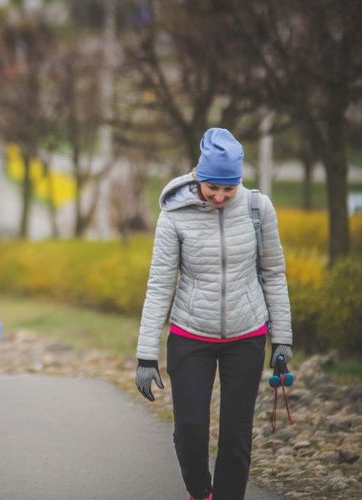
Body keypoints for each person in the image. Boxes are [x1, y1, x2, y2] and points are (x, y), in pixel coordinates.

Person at [135, 128, 293, 500]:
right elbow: (159, 286)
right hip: (191, 335)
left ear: (238, 181)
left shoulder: (258, 208)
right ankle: (199, 492)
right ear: (198, 177)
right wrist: (146, 355)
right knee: (190, 428)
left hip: (246, 335)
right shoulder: (174, 215)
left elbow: (273, 272)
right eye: (212, 188)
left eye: (228, 188)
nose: (220, 196)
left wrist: (282, 337)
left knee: (236, 435)